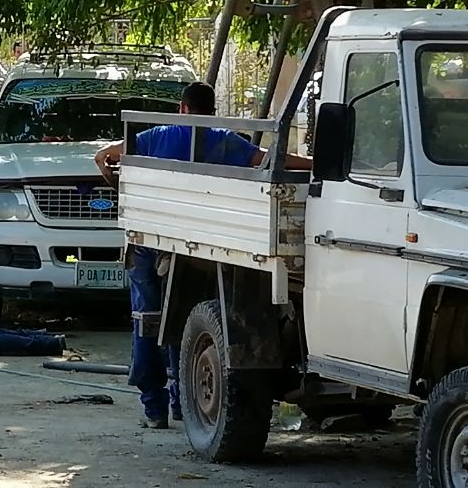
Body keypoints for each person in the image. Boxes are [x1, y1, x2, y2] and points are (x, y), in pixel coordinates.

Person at [93, 81, 311, 429]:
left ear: (183, 108)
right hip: (195, 244)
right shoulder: (223, 140)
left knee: (146, 319)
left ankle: (154, 410)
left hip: (149, 242)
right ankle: (182, 403)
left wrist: (111, 175)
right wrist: (317, 164)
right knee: (182, 320)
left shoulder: (156, 135)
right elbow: (271, 159)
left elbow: (105, 156)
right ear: (212, 111)